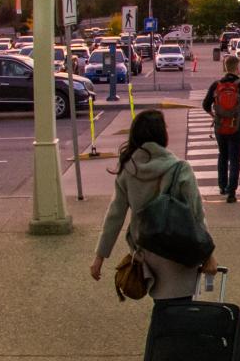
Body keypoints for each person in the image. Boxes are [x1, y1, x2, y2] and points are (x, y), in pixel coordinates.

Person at [90, 110, 218, 308]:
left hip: (147, 252)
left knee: (161, 307)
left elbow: (115, 216)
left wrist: (100, 257)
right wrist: (208, 254)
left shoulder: (127, 170)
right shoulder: (180, 168)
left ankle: (161, 336)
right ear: (161, 135)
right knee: (181, 309)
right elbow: (196, 214)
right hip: (180, 251)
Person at [201, 55, 240, 203]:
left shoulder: (216, 85)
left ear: (225, 67)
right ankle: (231, 193)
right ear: (237, 68)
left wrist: (215, 116)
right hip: (237, 127)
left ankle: (222, 186)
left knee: (223, 155)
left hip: (220, 126)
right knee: (235, 158)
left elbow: (205, 105)